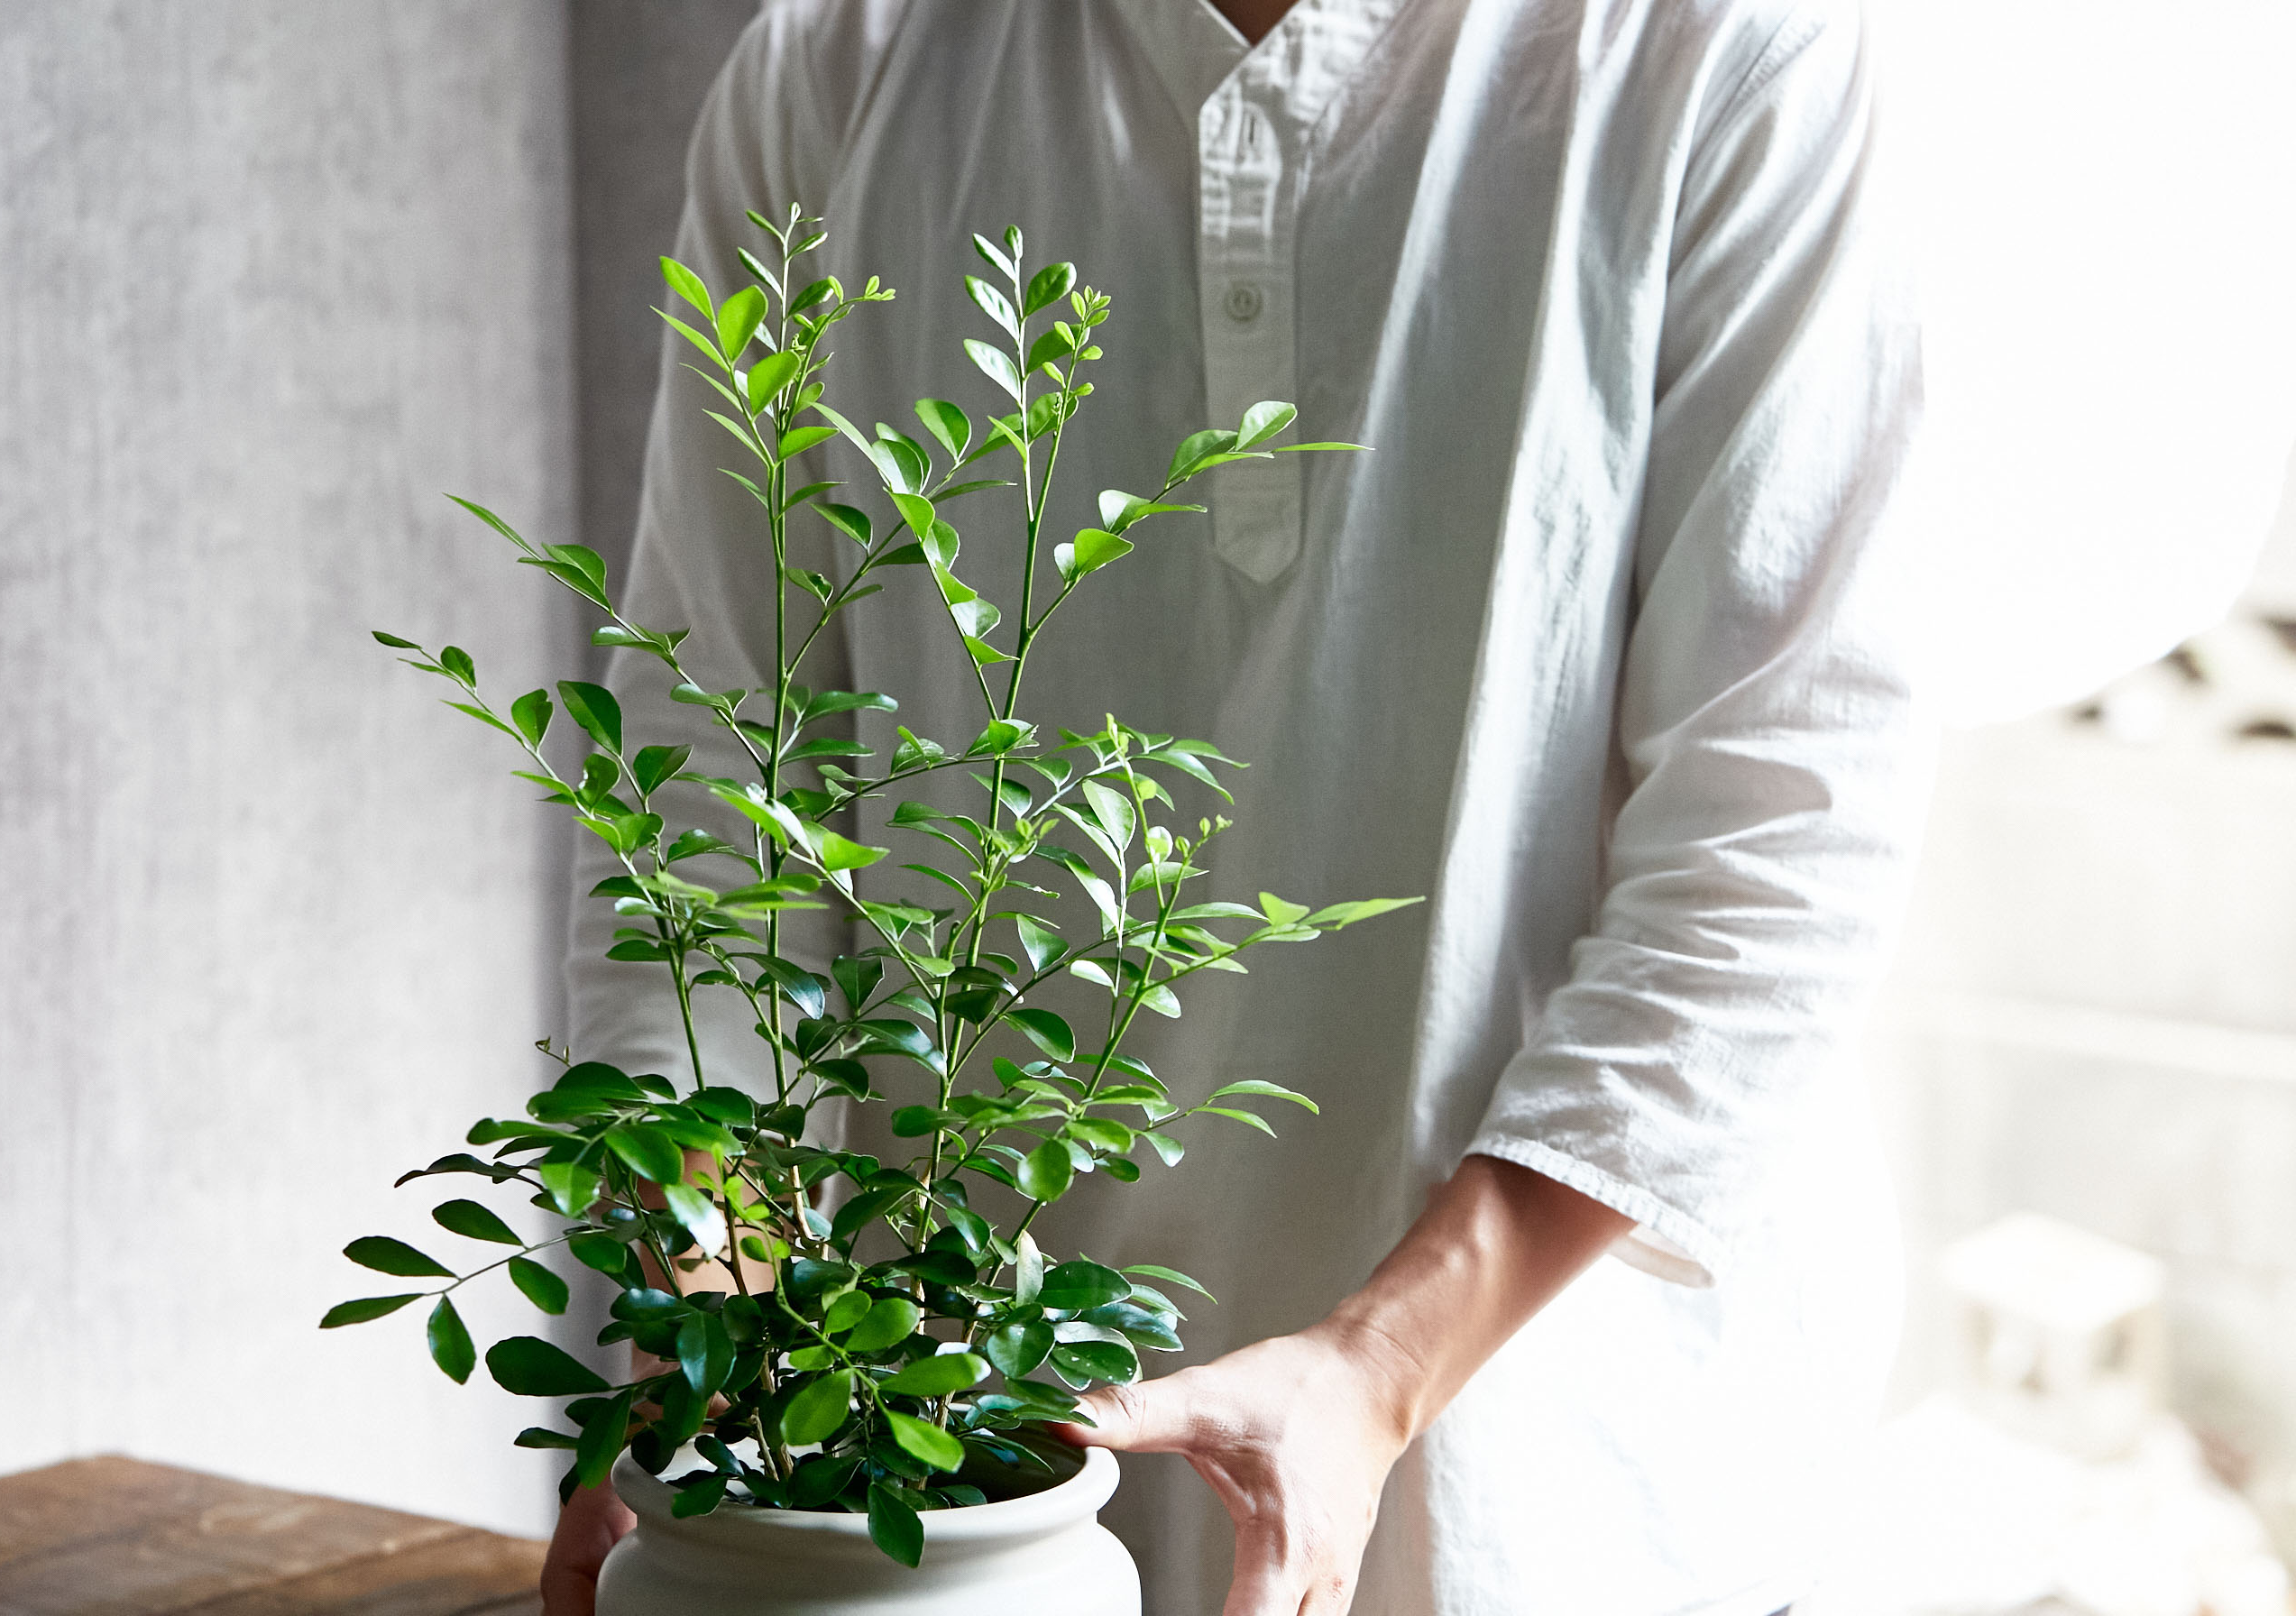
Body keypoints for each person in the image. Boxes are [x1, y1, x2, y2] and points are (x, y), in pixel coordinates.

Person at [548, 0, 1932, 1611]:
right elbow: (712, 792)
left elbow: (1783, 828)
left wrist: (1380, 1367)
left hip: (1551, 1479)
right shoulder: (839, 67)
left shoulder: (1723, 52)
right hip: (950, 1497)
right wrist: (713, 1329)